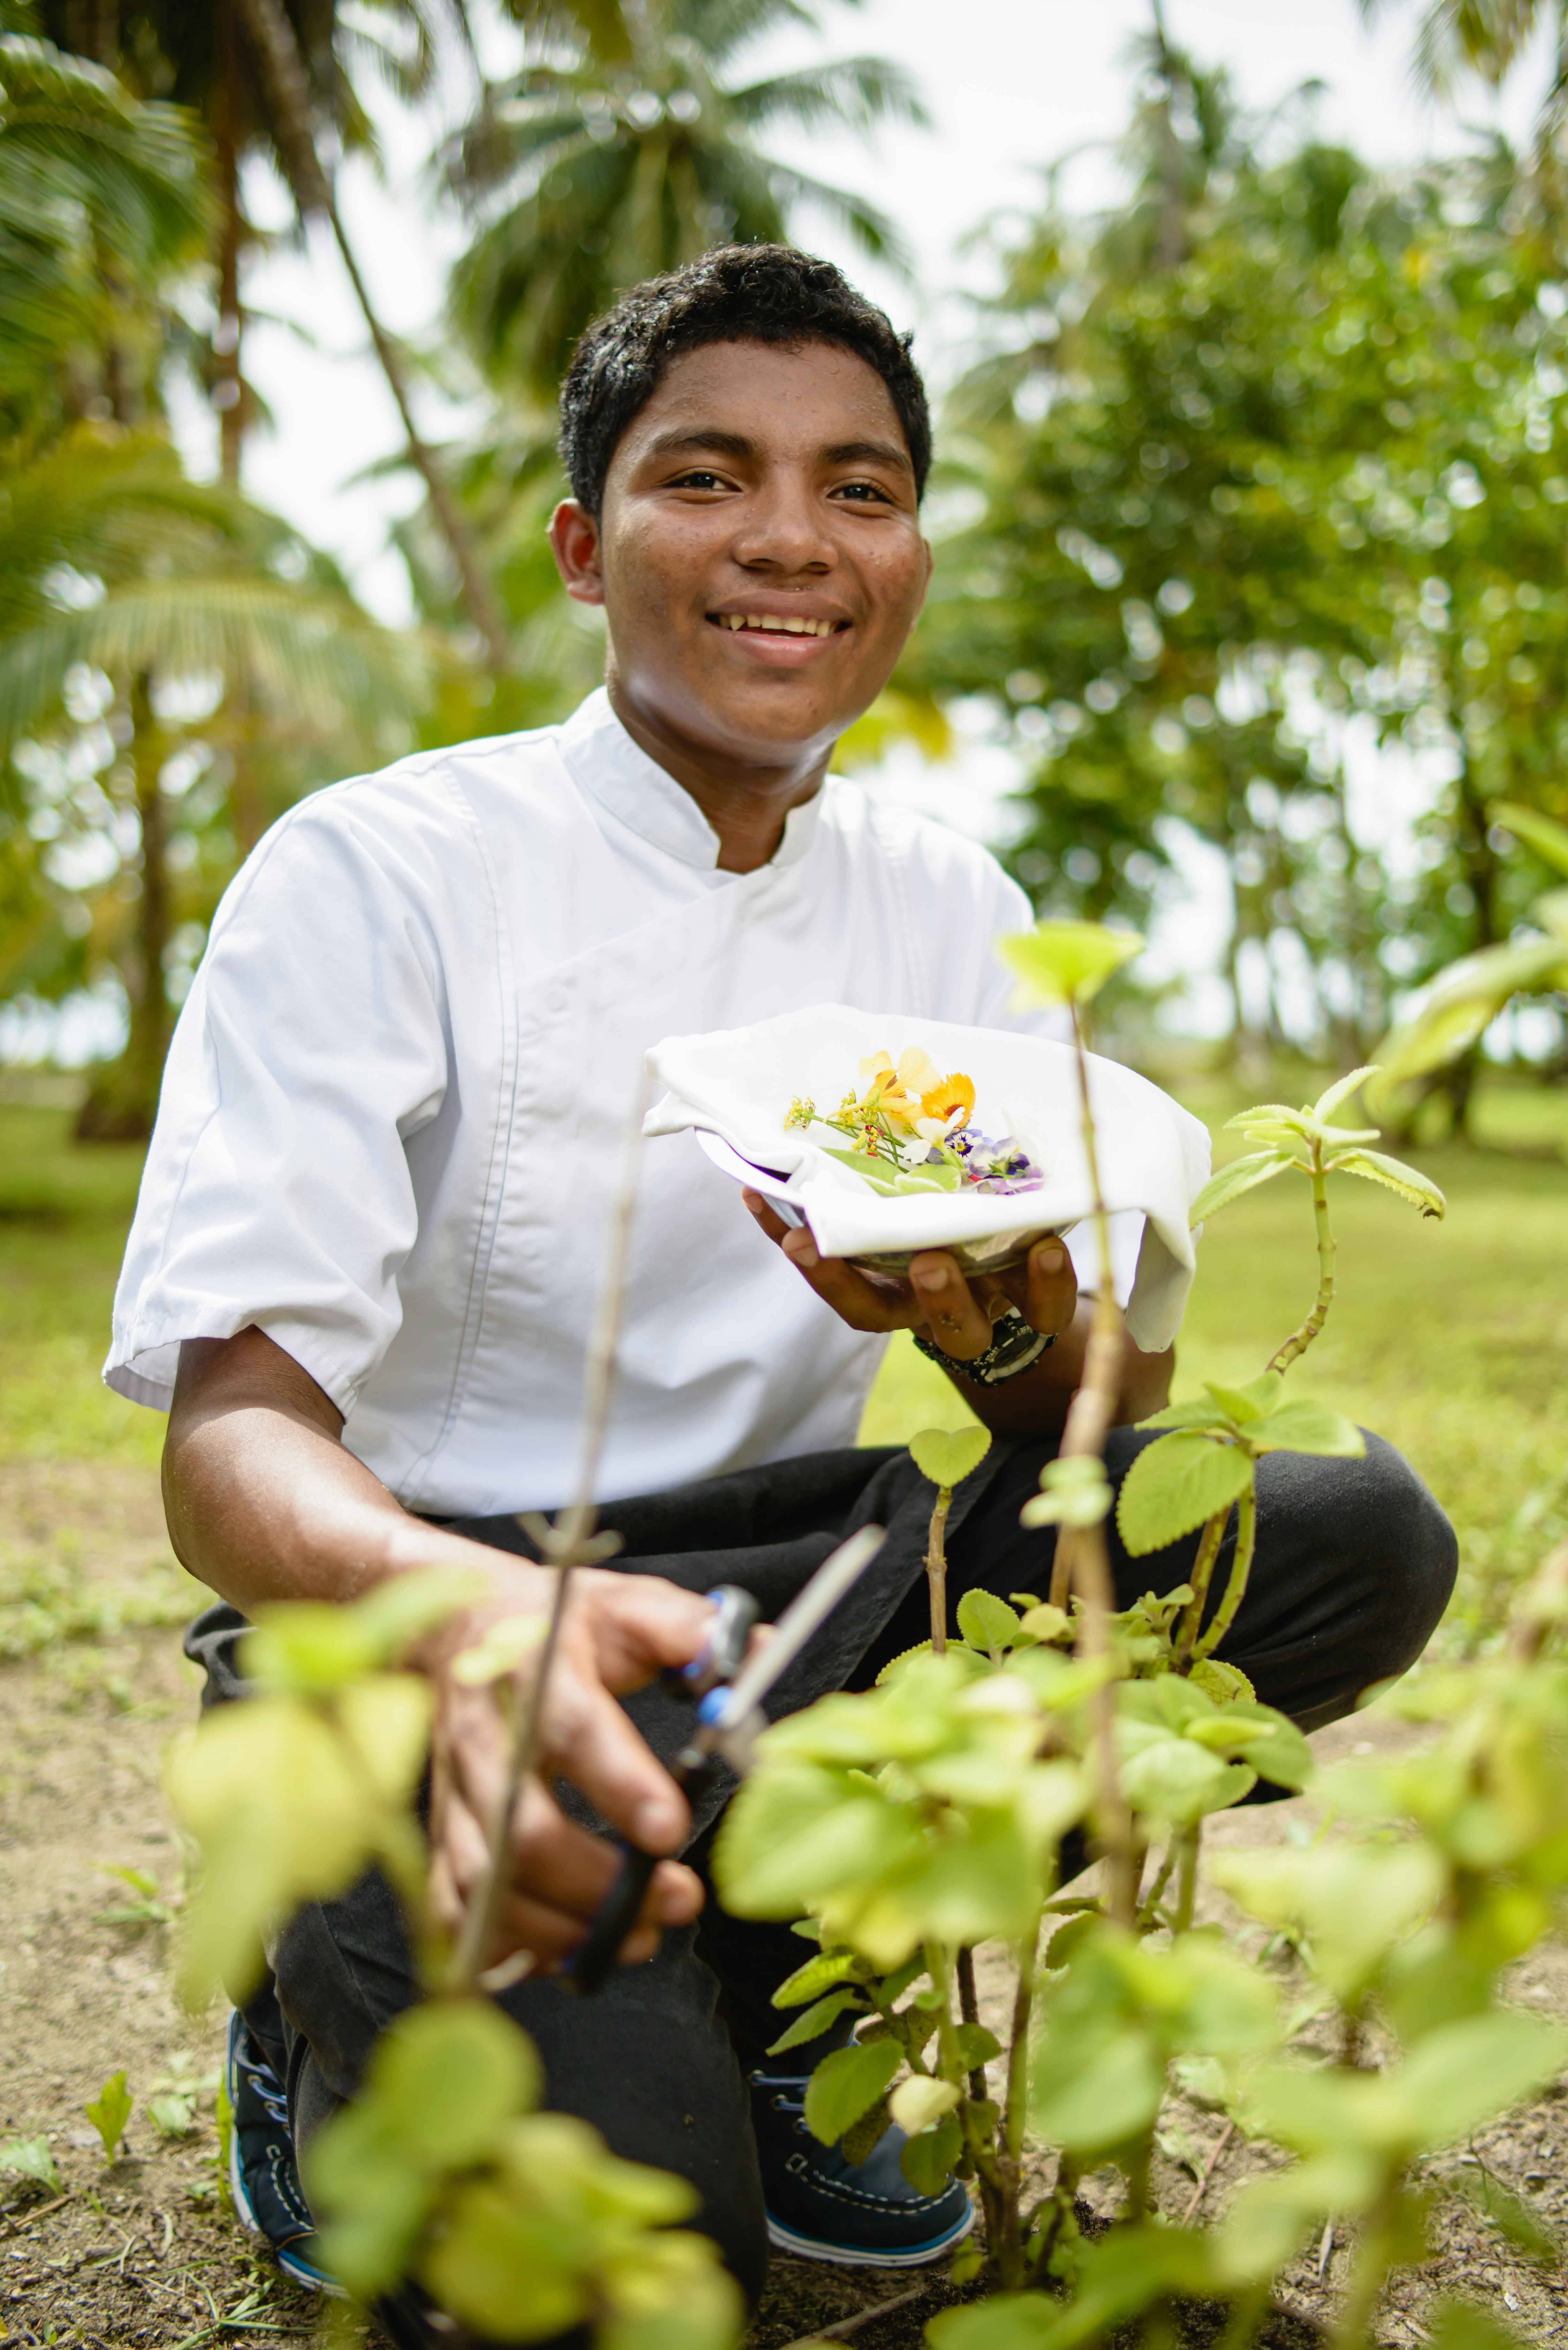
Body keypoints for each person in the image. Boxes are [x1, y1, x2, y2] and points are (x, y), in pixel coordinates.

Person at [108, 246, 1457, 2330]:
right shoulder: (382, 871)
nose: (791, 544)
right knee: (654, 2274)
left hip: (807, 1595)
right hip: (434, 1619)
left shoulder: (942, 903)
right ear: (584, 542)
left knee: (1339, 1532)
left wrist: (986, 1318)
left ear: (910, 549)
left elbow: (1076, 1421)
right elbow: (234, 1439)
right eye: (707, 477)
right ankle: (324, 2020)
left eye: (862, 486)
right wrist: (464, 1611)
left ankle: (792, 1975)